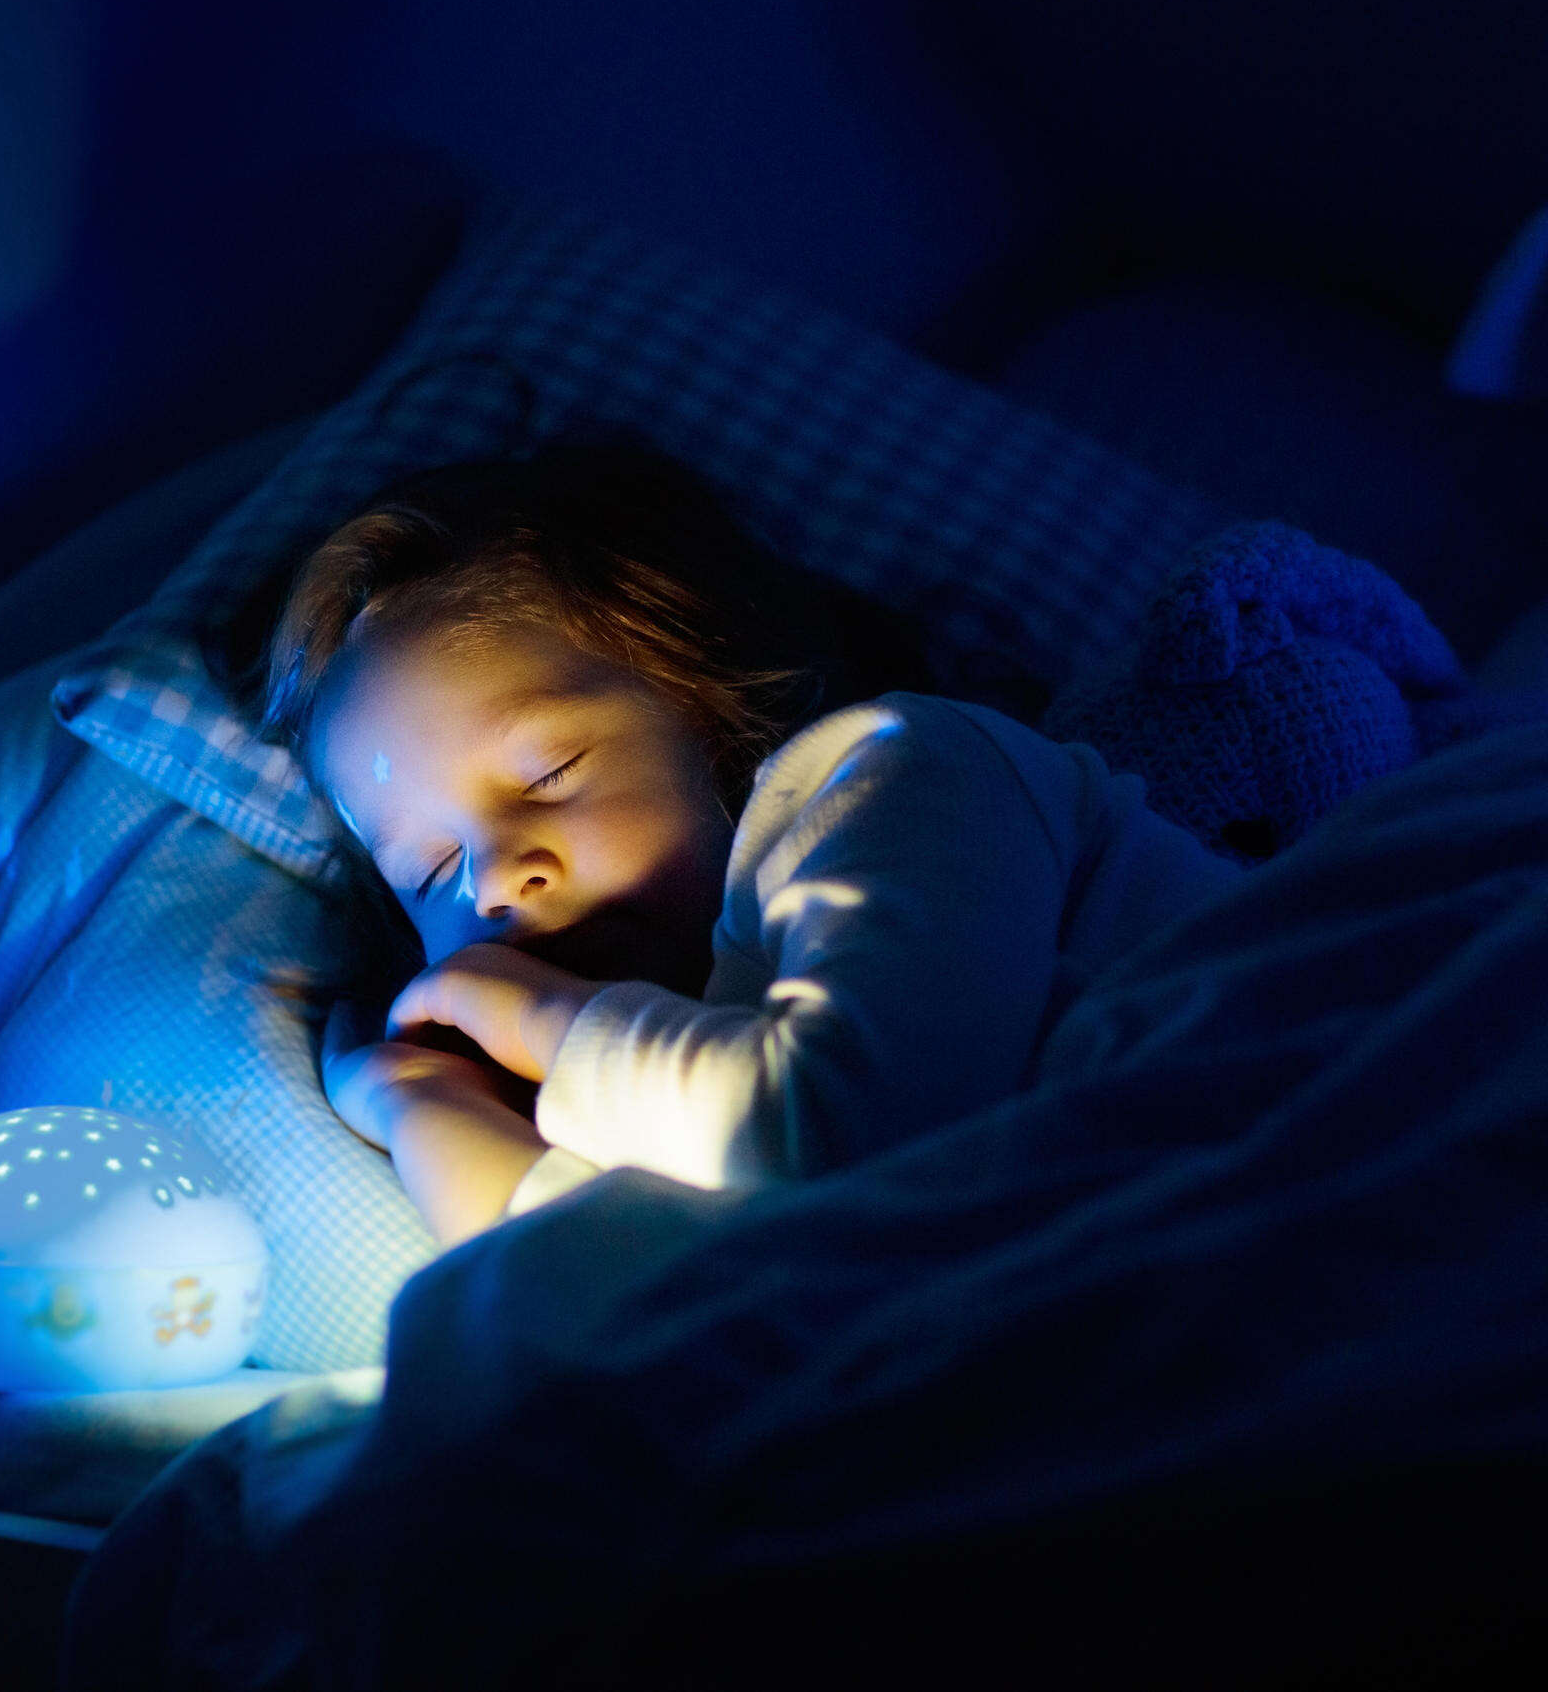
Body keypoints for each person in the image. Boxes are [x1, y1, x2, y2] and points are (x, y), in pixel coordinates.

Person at [259, 428, 1239, 1245]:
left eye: (548, 775)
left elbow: (850, 1133)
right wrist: (418, 1097)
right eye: (429, 871)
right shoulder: (646, 1097)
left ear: (704, 696)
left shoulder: (901, 768)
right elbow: (624, 1317)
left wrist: (536, 1020)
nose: (495, 882)